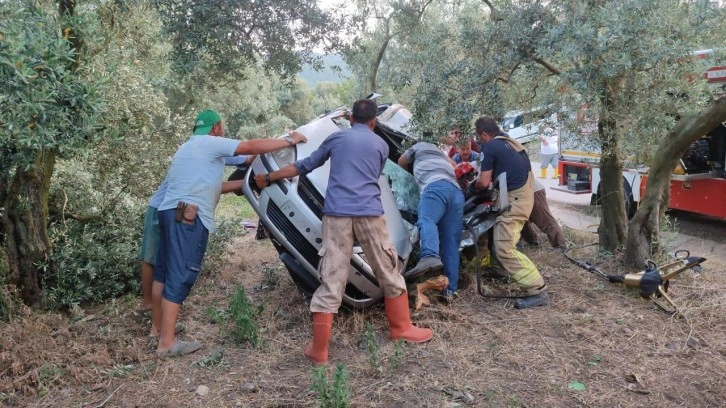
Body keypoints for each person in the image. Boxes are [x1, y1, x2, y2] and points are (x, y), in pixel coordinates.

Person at [254, 99, 433, 366]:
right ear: (373, 122)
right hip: (369, 213)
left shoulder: (336, 140)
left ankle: (319, 350)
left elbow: (304, 166)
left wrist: (268, 178)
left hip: (336, 214)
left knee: (332, 276)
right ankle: (401, 329)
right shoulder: (381, 145)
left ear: (351, 119)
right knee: (387, 269)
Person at [152, 109, 307, 357]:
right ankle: (167, 343)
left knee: (164, 271)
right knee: (180, 275)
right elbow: (250, 147)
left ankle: (158, 329)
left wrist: (251, 183)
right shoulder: (211, 142)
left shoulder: (188, 148)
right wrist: (290, 140)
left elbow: (216, 186)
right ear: (216, 128)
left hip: (170, 211)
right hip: (188, 216)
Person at [472, 116, 550, 309]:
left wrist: (472, 188)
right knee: (501, 241)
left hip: (514, 202)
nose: (479, 141)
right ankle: (502, 271)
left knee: (504, 247)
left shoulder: (490, 146)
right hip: (523, 198)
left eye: (479, 137)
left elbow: (483, 182)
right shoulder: (509, 142)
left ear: (484, 134)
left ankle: (537, 290)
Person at [397, 141, 465, 300]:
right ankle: (450, 291)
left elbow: (401, 161)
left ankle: (429, 256)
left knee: (427, 220)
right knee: (451, 242)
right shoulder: (442, 153)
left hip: (434, 187)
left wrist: (407, 179)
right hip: (456, 192)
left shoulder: (419, 146)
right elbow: (455, 166)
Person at [520, 180, 567, 251]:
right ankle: (532, 242)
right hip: (518, 193)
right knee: (521, 218)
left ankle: (559, 246)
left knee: (544, 219)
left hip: (533, 190)